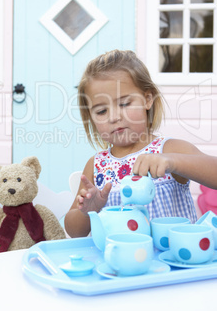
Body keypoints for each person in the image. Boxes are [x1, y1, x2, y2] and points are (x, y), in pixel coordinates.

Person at [64, 49, 217, 238]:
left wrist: (173, 162)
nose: (114, 117)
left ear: (147, 99)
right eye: (101, 111)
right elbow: (74, 231)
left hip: (174, 264)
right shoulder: (96, 166)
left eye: (124, 104)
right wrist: (87, 211)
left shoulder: (168, 150)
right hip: (120, 264)